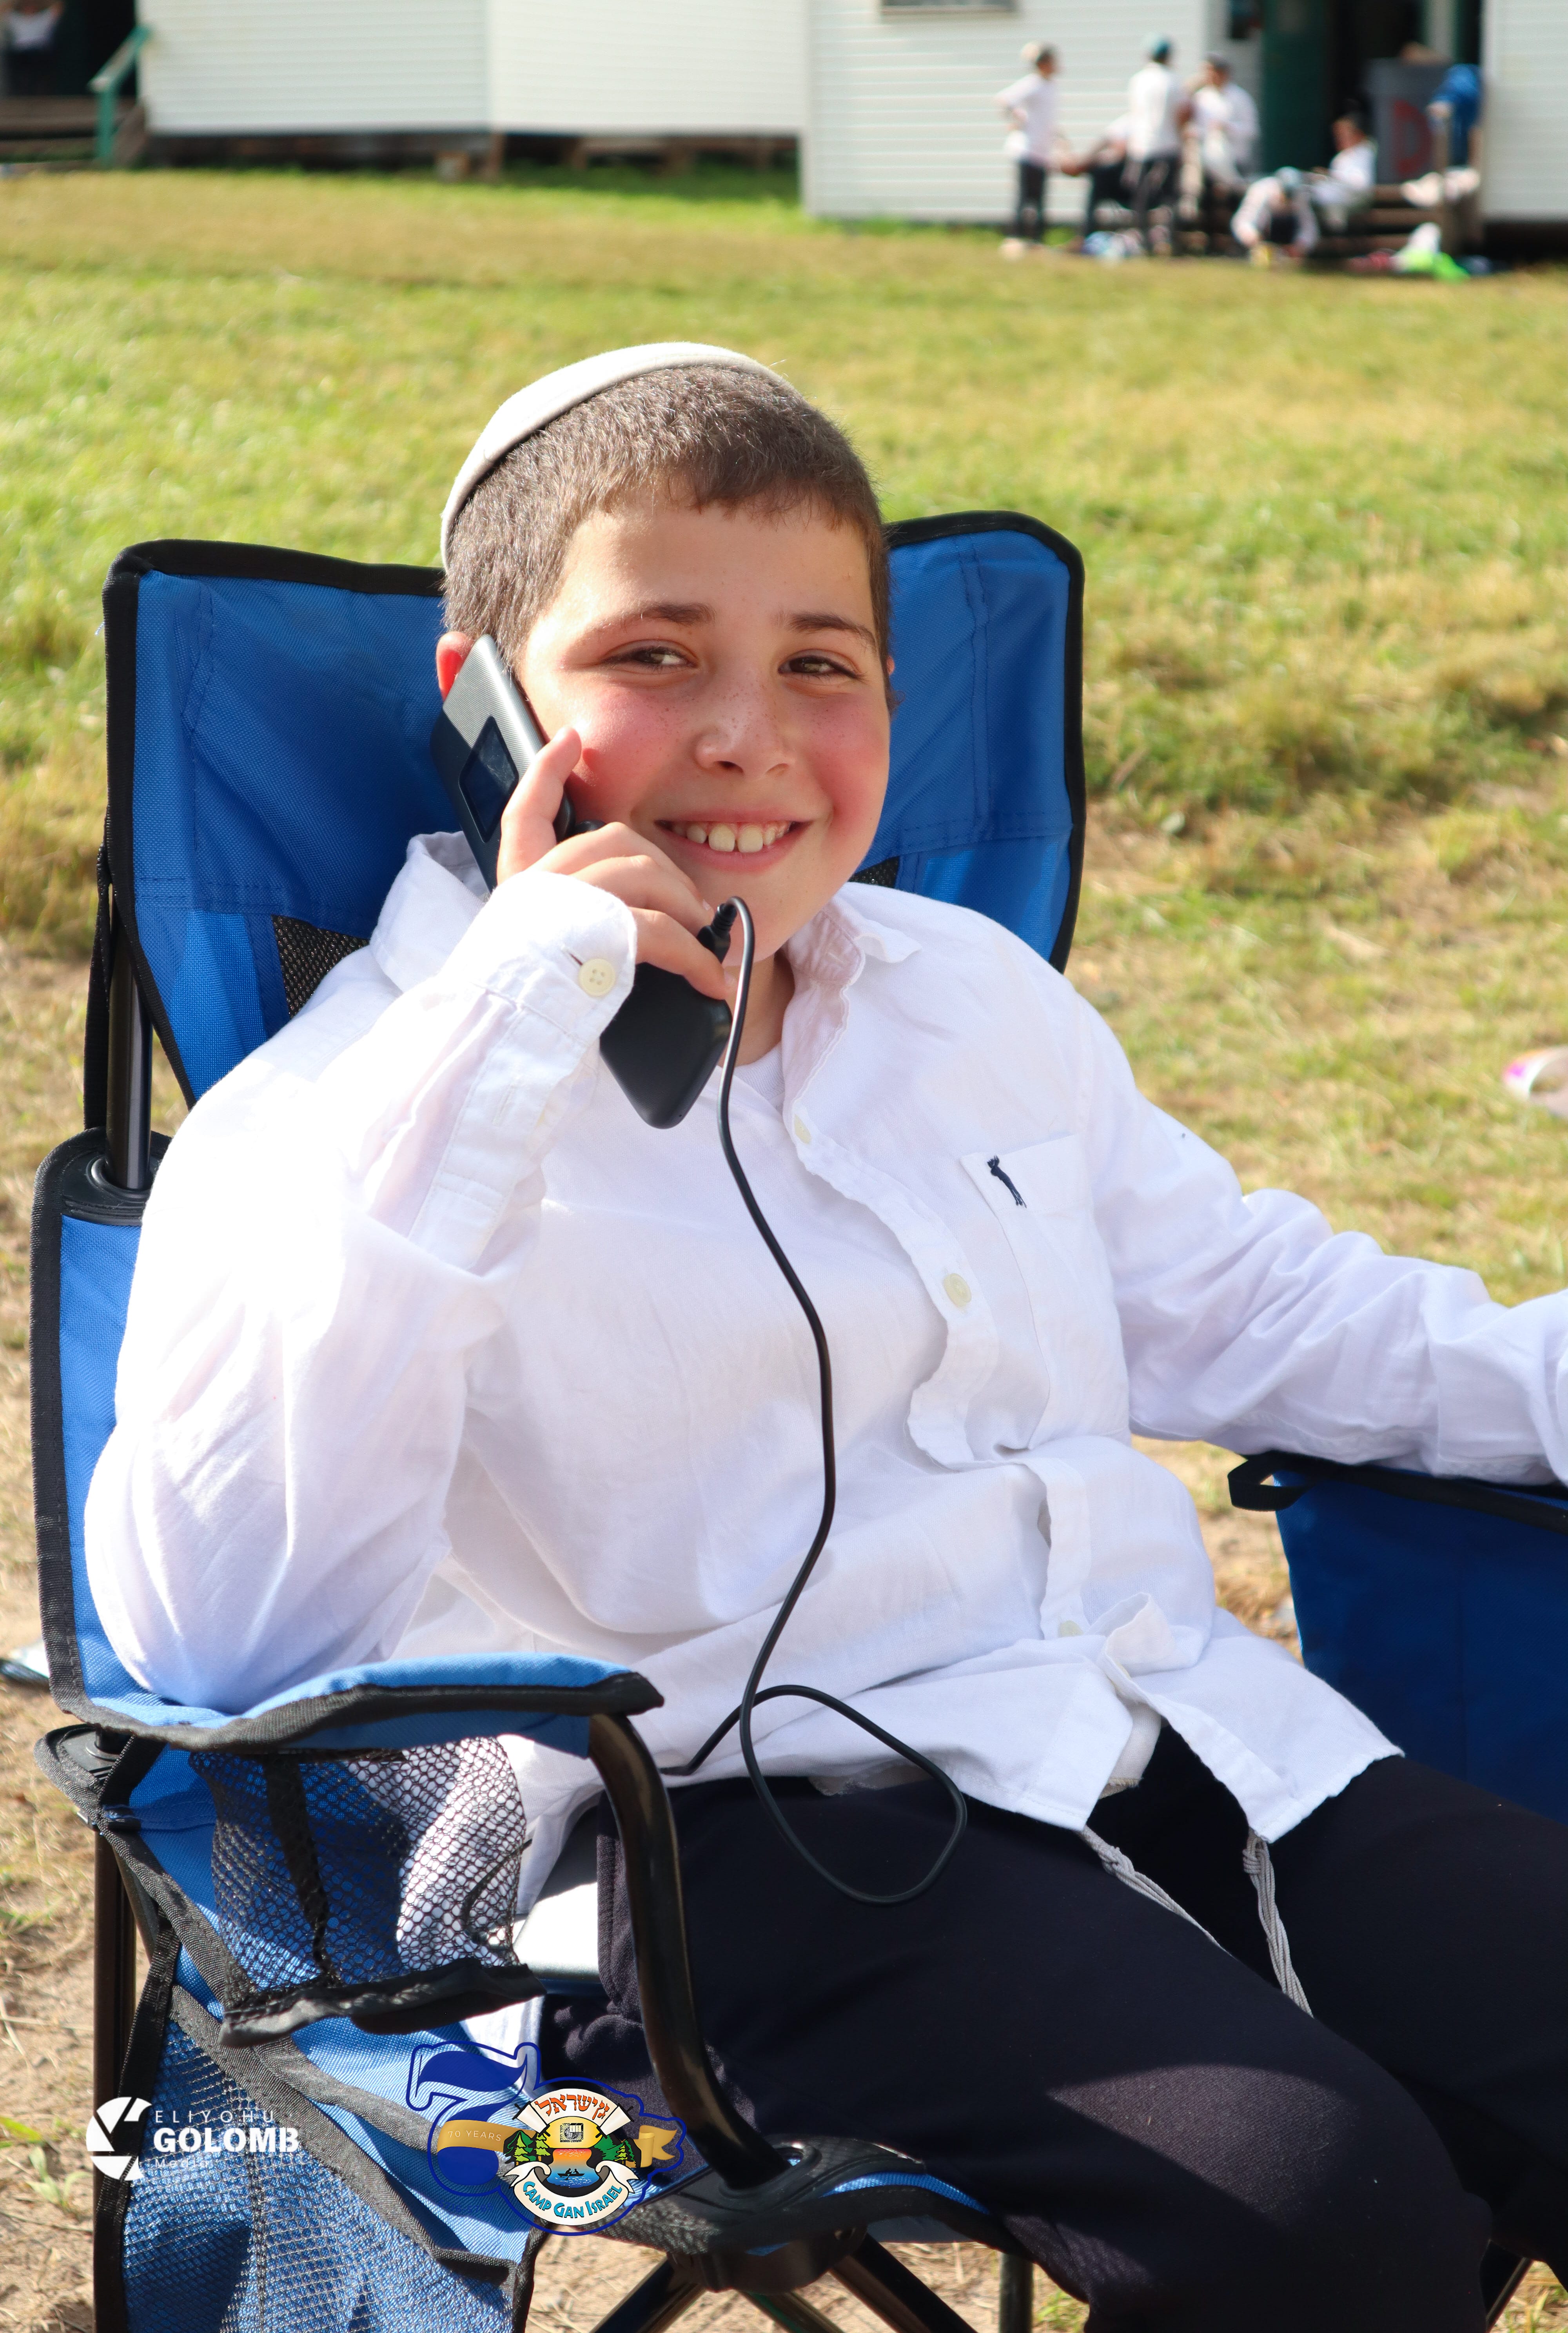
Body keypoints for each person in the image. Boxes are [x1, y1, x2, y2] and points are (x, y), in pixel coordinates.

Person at [87, 341, 1568, 2331]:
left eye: (819, 666)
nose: (745, 736)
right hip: (707, 1863)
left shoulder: (971, 998)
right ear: (485, 701)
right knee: (1321, 2214)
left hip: (1165, 1730)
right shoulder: (341, 1114)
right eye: (652, 656)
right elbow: (219, 1639)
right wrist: (503, 1045)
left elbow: (1261, 1307)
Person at [1124, 33, 1191, 252]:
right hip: (1168, 144)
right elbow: (1182, 114)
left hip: (1142, 144)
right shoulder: (1174, 80)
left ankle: (1143, 239)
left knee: (1141, 195)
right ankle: (1169, 239)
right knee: (1170, 196)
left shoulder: (1138, 80)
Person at [1187, 50, 1259, 249]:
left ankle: (1238, 243)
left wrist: (1229, 128)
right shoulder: (1202, 98)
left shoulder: (1240, 98)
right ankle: (1210, 243)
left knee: (1236, 201)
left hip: (1236, 159)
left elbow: (1252, 130)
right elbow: (1197, 128)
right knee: (1207, 201)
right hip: (1210, 160)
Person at [996, 42, 1062, 256]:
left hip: (1043, 151)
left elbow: (1046, 119)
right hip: (1026, 149)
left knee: (1040, 199)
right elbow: (1005, 100)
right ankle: (1015, 238)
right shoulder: (1033, 83)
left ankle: (1036, 240)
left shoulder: (1051, 86)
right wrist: (1017, 119)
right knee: (1025, 197)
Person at [1060, 113, 1132, 239]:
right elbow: (1105, 143)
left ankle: (1086, 235)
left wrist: (1086, 165)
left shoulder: (1141, 124)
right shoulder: (1126, 122)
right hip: (1119, 186)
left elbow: (1120, 152)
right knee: (1099, 174)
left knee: (1100, 174)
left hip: (1136, 187)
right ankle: (1087, 234)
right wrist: (1082, 164)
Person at [1307, 105, 1377, 229]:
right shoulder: (1341, 157)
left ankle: (1335, 230)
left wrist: (1329, 177)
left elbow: (1361, 185)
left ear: (1358, 135)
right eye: (1338, 136)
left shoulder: (1366, 153)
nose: (1340, 139)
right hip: (1339, 201)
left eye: (1344, 135)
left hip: (1357, 201)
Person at [1233, 163, 1319, 260]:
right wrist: (1254, 239)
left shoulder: (1301, 196)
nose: (1288, 198)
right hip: (1263, 236)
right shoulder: (1261, 191)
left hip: (1289, 239)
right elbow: (1243, 221)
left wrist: (1300, 247)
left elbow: (1309, 227)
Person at [2, 0, 64, 94]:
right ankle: (22, 96)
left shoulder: (43, 17)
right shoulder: (16, 18)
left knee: (41, 76)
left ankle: (41, 95)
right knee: (21, 77)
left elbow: (60, 5)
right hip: (21, 52)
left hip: (39, 52)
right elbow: (3, 8)